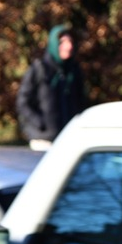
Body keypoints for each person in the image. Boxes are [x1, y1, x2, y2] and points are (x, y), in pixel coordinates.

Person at [17, 23, 87, 151]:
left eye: (70, 42)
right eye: (62, 42)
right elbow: (23, 102)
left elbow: (80, 102)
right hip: (44, 141)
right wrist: (40, 122)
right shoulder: (40, 69)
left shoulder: (74, 71)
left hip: (68, 139)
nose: (68, 46)